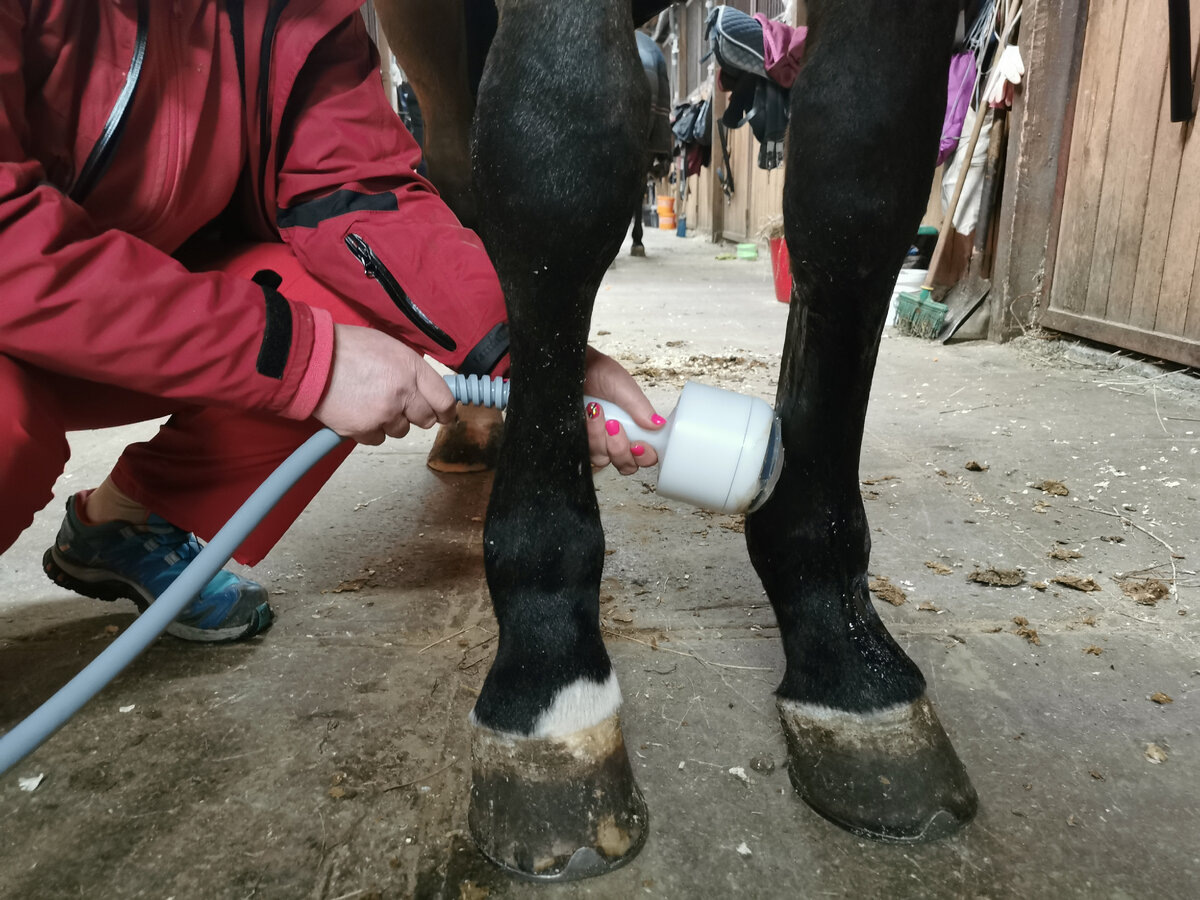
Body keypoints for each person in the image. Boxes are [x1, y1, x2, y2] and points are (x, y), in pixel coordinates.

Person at [0, 1, 661, 643]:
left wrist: (533, 354)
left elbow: (354, 190)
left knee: (345, 314)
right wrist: (300, 359)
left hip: (134, 306)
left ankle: (127, 521)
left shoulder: (296, 12)